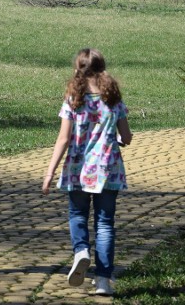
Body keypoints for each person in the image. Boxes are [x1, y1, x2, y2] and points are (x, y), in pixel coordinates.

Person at [41, 48, 133, 296]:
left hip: (77, 169)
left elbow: (63, 139)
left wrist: (49, 173)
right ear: (103, 68)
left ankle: (81, 251)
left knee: (77, 215)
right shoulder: (113, 99)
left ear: (78, 70)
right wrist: (119, 138)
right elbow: (126, 136)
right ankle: (103, 280)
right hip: (108, 170)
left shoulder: (73, 98)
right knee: (105, 224)